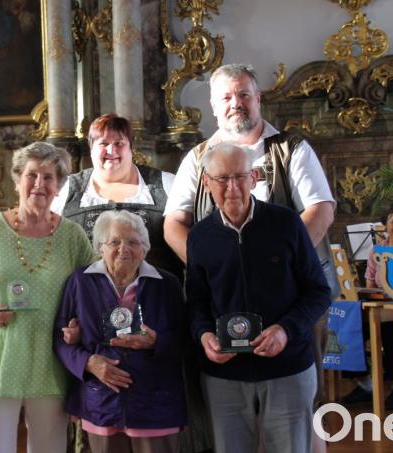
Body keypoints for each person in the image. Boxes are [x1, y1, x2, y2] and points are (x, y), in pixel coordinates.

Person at [162, 63, 335, 417]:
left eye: (243, 94)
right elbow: (174, 224)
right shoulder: (197, 158)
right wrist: (210, 266)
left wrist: (279, 267)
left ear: (258, 99)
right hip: (223, 299)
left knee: (304, 400)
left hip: (293, 298)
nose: (235, 103)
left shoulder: (292, 147)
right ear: (213, 106)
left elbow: (321, 210)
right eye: (226, 97)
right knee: (230, 403)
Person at [0, 142, 96, 452]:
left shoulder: (72, 236)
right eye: (32, 175)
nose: (39, 184)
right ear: (17, 180)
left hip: (50, 359)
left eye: (49, 177)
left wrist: (79, 326)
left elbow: (91, 293)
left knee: (50, 447)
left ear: (59, 186)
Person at [186, 144, 330, 453]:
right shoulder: (199, 236)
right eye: (222, 179)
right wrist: (204, 336)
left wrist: (285, 330)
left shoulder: (287, 224)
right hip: (224, 374)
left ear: (253, 178)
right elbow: (196, 303)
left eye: (240, 176)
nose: (233, 187)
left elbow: (319, 292)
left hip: (287, 366)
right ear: (206, 183)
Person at [53, 211, 188, 453]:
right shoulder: (80, 282)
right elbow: (60, 340)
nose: (123, 249)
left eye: (133, 242)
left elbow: (186, 339)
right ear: (100, 248)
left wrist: (157, 342)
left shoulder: (167, 284)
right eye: (114, 242)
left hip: (155, 404)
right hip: (100, 403)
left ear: (144, 249)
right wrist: (89, 363)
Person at [52, 113, 181, 280]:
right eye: (103, 143)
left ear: (131, 148)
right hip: (86, 298)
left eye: (119, 143)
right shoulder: (65, 189)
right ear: (91, 147)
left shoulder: (166, 184)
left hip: (154, 297)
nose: (111, 150)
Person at [341, 203, 393, 407]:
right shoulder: (376, 251)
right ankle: (365, 384)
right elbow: (370, 285)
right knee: (349, 328)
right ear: (386, 225)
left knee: (391, 330)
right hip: (381, 307)